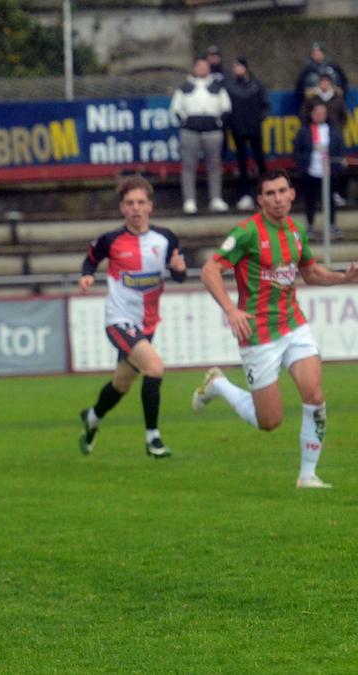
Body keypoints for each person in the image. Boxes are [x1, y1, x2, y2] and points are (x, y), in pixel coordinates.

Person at [194, 169, 358, 488]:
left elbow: (309, 272)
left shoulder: (296, 231)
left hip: (293, 325)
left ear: (292, 193)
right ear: (260, 199)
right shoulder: (247, 233)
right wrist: (231, 309)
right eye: (270, 193)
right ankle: (218, 385)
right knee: (269, 421)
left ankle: (308, 475)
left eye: (282, 191)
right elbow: (209, 270)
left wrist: (343, 278)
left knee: (315, 394)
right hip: (258, 335)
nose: (278, 198)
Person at [76, 176, 187, 459]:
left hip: (147, 323)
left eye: (140, 202)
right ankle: (153, 438)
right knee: (155, 368)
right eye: (129, 203)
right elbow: (91, 257)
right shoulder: (111, 240)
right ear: (122, 208)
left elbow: (179, 275)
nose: (136, 208)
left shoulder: (165, 239)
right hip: (119, 320)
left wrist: (178, 268)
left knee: (121, 383)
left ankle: (92, 417)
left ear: (150, 206)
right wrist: (87, 274)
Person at [171, 57, 232, 214]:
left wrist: (218, 123)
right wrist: (185, 123)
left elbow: (226, 108)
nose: (203, 69)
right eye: (200, 66)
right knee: (189, 166)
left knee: (214, 166)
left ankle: (216, 199)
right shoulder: (184, 87)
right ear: (194, 68)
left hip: (212, 131)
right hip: (190, 131)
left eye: (206, 67)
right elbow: (176, 109)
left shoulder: (218, 87)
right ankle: (190, 200)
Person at [293, 102, 346, 240]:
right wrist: (302, 166)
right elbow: (297, 150)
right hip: (311, 170)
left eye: (323, 113)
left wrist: (337, 166)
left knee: (330, 201)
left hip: (328, 171)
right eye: (317, 113)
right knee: (310, 200)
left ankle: (332, 225)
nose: (320, 116)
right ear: (312, 114)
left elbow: (340, 148)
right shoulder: (304, 131)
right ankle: (310, 225)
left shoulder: (333, 130)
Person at [224, 57, 269, 211]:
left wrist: (258, 120)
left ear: (246, 68)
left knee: (260, 162)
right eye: (235, 67)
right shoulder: (229, 87)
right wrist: (232, 123)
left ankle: (265, 192)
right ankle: (245, 195)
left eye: (239, 67)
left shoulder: (257, 85)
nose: (237, 70)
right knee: (242, 164)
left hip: (254, 129)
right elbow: (226, 108)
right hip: (237, 130)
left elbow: (265, 106)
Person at [294, 42, 349, 115]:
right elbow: (298, 86)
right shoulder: (307, 69)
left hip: (332, 100)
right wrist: (305, 95)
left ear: (324, 53)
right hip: (314, 101)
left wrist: (340, 91)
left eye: (319, 52)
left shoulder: (333, 66)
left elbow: (344, 81)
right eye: (314, 53)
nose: (317, 55)